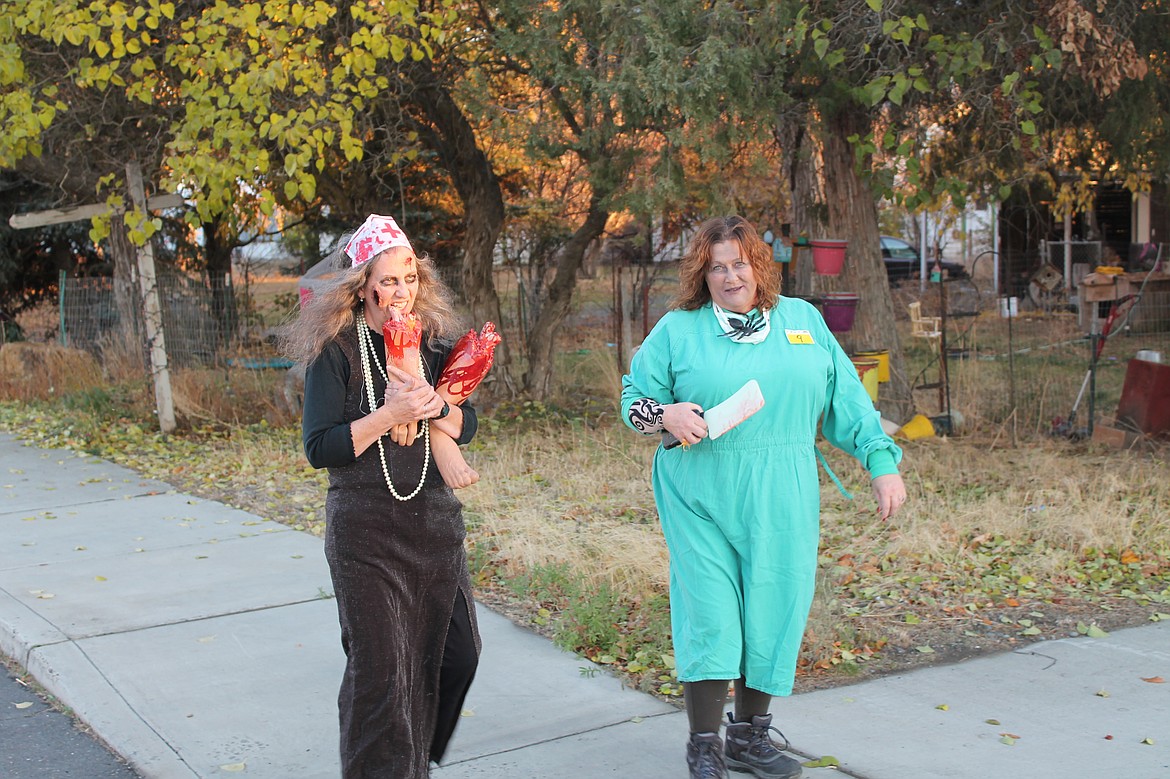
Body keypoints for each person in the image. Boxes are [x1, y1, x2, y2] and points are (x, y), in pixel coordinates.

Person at [620, 216, 908, 779]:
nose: (730, 276)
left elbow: (846, 400)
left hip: (784, 487)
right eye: (717, 267)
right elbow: (634, 402)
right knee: (711, 611)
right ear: (702, 276)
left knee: (774, 607)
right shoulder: (680, 330)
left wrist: (881, 463)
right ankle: (704, 743)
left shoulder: (802, 321)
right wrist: (666, 414)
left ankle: (748, 739)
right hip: (698, 489)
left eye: (739, 263)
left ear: (760, 266)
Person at [283, 214, 481, 778]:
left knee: (456, 655)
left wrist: (438, 407)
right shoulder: (336, 352)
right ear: (362, 284)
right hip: (365, 531)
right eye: (389, 280)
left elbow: (468, 427)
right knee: (381, 676)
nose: (402, 292)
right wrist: (389, 414)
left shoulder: (433, 346)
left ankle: (412, 758)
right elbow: (320, 447)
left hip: (434, 527)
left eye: (410, 278)